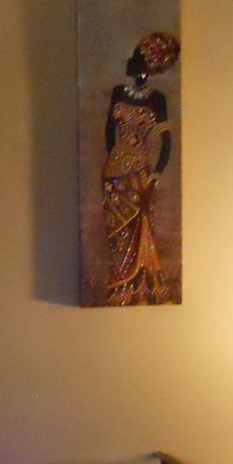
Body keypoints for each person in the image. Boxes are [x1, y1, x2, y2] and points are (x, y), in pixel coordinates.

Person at [100, 30, 179, 305]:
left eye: (134, 57)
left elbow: (167, 144)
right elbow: (108, 133)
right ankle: (119, 291)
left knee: (138, 232)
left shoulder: (156, 100)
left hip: (139, 176)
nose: (128, 61)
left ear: (144, 64)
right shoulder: (118, 93)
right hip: (112, 178)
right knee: (117, 238)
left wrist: (152, 180)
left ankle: (136, 291)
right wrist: (113, 164)